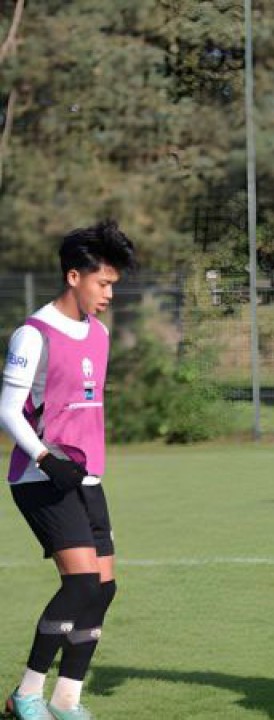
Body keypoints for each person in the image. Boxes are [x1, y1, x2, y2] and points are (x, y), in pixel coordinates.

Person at [1, 221, 136, 720]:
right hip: (40, 478)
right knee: (79, 584)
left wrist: (84, 467)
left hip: (86, 480)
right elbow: (9, 409)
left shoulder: (98, 334)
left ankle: (66, 701)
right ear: (73, 275)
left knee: (103, 588)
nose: (108, 294)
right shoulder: (33, 334)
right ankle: (27, 696)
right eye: (103, 283)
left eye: (113, 286)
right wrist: (45, 458)